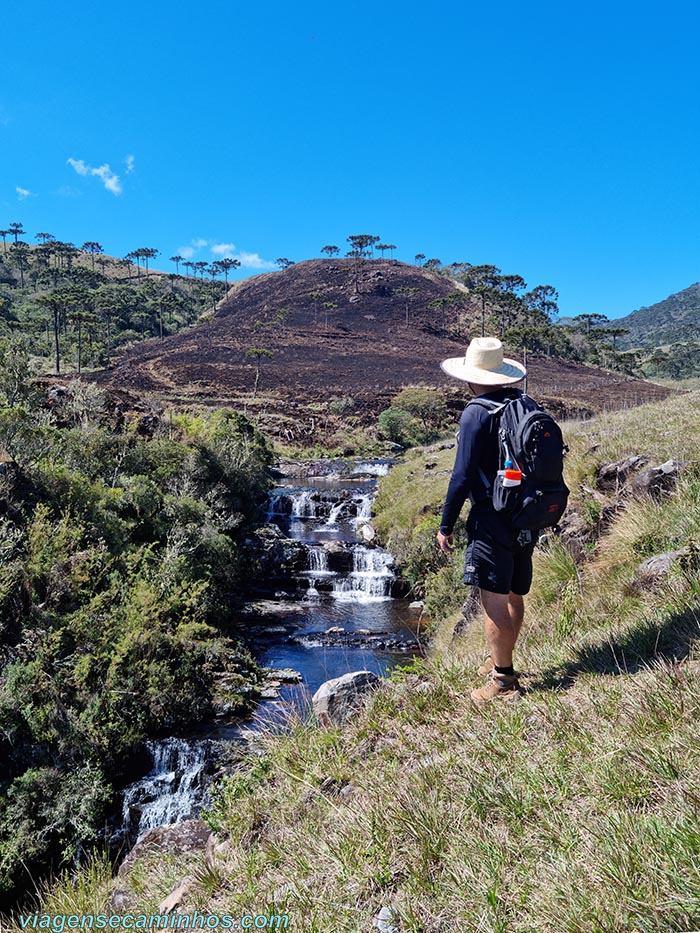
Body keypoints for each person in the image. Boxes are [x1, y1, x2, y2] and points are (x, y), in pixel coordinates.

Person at [436, 336, 532, 703]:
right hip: (524, 513)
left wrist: (446, 525)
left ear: (470, 376)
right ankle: (501, 660)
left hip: (491, 516)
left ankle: (503, 682)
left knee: (492, 596)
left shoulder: (476, 411)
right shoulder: (524, 403)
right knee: (513, 591)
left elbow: (461, 476)